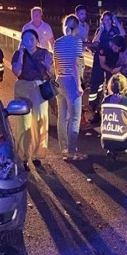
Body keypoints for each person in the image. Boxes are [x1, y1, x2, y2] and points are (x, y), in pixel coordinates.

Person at [11, 29, 54, 170]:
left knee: (40, 122)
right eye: (25, 39)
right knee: (23, 124)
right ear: (22, 41)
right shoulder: (18, 54)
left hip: (39, 88)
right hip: (22, 87)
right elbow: (16, 72)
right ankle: (22, 157)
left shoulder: (44, 54)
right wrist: (21, 55)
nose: (29, 42)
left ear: (37, 40)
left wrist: (47, 66)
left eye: (32, 39)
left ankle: (38, 155)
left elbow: (52, 73)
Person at [54, 14, 87, 161]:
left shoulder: (57, 42)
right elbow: (75, 64)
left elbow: (56, 63)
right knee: (74, 117)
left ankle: (64, 148)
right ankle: (72, 151)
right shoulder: (77, 41)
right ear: (76, 27)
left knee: (62, 117)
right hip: (71, 82)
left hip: (59, 80)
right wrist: (79, 85)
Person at [87, 11, 125, 122]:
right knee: (96, 83)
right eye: (105, 19)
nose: (107, 21)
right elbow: (94, 42)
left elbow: (123, 34)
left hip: (111, 58)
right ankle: (92, 108)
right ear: (102, 20)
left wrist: (117, 21)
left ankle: (109, 107)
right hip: (100, 57)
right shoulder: (101, 30)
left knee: (111, 83)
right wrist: (101, 29)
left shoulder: (115, 29)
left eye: (109, 19)